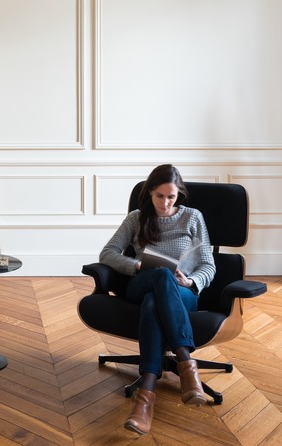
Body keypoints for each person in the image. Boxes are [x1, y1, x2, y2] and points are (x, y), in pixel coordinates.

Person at [99, 164, 216, 435]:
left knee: (155, 303)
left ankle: (145, 398)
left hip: (182, 292)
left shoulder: (193, 218)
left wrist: (191, 282)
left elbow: (209, 265)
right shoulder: (136, 218)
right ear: (150, 192)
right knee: (160, 276)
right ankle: (186, 365)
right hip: (141, 283)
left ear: (179, 195)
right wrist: (137, 266)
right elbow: (108, 253)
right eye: (160, 196)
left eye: (171, 197)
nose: (165, 203)